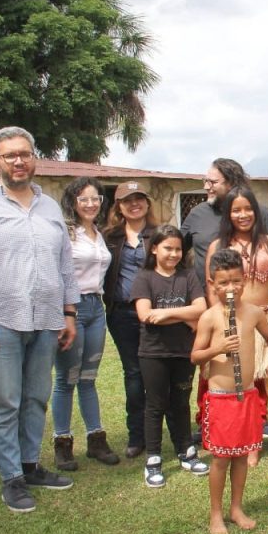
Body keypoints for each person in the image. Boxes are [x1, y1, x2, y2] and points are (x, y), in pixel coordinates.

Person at [0, 126, 78, 513]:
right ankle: (11, 479)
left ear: (34, 157)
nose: (19, 161)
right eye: (10, 155)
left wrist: (69, 313)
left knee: (36, 397)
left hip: (45, 321)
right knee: (4, 401)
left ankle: (30, 465)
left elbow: (65, 265)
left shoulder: (50, 207)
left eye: (25, 153)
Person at [191, 249, 268, 534]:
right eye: (223, 283)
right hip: (220, 398)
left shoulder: (254, 312)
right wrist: (217, 350)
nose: (230, 288)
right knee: (220, 458)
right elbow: (195, 356)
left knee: (243, 455)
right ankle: (216, 514)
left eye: (235, 281)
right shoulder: (209, 317)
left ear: (244, 280)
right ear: (212, 284)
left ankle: (236, 508)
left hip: (246, 395)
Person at [206, 186, 268, 466]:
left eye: (248, 208)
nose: (243, 215)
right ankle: (247, 441)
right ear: (228, 214)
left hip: (265, 319)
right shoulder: (218, 246)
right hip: (234, 325)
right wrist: (220, 326)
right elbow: (210, 290)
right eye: (236, 210)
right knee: (243, 386)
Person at [131, 225, 208, 488]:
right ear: (154, 248)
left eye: (178, 249)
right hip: (153, 352)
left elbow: (201, 308)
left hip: (182, 351)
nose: (174, 253)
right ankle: (153, 458)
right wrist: (184, 316)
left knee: (181, 402)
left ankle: (186, 450)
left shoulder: (189, 276)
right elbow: (145, 315)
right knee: (155, 404)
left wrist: (164, 314)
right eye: (168, 248)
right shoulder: (144, 278)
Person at [50, 177, 119, 471]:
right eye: (84, 199)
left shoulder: (98, 233)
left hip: (95, 308)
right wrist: (65, 314)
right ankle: (62, 443)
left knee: (89, 377)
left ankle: (96, 439)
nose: (91, 204)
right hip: (72, 308)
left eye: (96, 199)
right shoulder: (66, 233)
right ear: (73, 202)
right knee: (67, 379)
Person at [103, 180, 158, 459]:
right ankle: (137, 435)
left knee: (159, 374)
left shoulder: (160, 235)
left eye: (139, 199)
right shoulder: (109, 238)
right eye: (127, 200)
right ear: (119, 207)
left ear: (147, 203)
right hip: (123, 314)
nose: (134, 204)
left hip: (158, 314)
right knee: (134, 374)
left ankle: (164, 434)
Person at [182, 157, 268, 289]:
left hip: (254, 304)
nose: (206, 187)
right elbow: (176, 250)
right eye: (205, 181)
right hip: (208, 303)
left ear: (232, 183)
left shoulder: (261, 214)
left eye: (212, 182)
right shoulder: (197, 214)